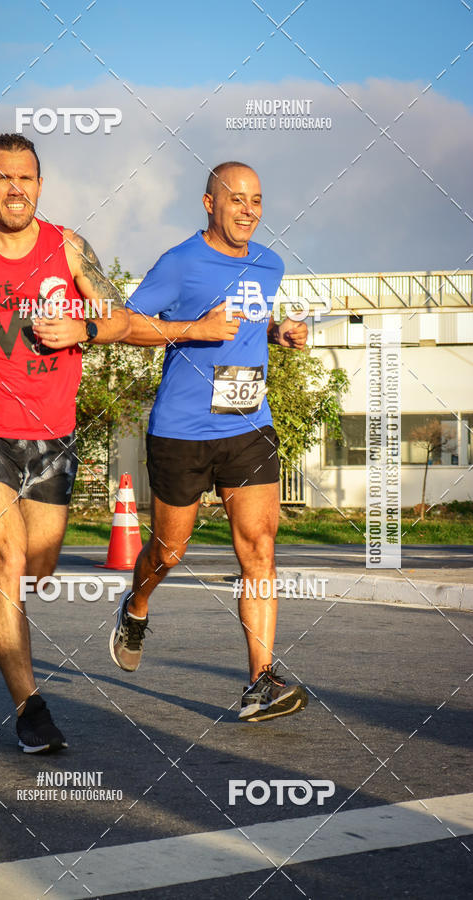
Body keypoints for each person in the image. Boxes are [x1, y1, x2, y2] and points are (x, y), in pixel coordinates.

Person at [0, 133, 129, 752]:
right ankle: (30, 709)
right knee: (9, 555)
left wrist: (83, 327)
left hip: (52, 429)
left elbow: (118, 316)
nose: (16, 189)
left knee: (38, 565)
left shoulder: (69, 248)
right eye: (4, 178)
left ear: (40, 184)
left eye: (26, 178)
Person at [109, 162, 309, 722]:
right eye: (236, 199)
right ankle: (136, 606)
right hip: (182, 431)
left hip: (248, 424)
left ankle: (260, 681)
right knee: (169, 551)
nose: (248, 210)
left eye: (257, 199)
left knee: (260, 548)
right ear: (209, 203)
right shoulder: (179, 263)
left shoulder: (270, 264)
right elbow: (127, 324)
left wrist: (277, 331)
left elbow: (250, 319)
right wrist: (194, 329)